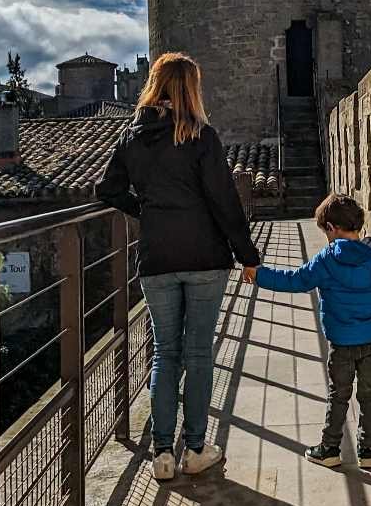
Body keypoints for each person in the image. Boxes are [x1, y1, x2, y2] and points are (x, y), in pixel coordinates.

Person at [96, 52, 260, 482]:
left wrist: (146, 209)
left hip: (157, 258)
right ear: (190, 89)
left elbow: (106, 189)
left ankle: (163, 453)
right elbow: (224, 201)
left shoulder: (131, 137)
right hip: (205, 257)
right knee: (199, 352)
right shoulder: (202, 136)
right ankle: (196, 448)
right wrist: (248, 256)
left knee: (165, 353)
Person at [245, 192, 371, 469]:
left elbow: (295, 280)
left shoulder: (326, 260)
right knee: (370, 395)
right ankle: (368, 450)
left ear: (332, 228)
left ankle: (330, 448)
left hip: (341, 342)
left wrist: (259, 275)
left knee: (338, 395)